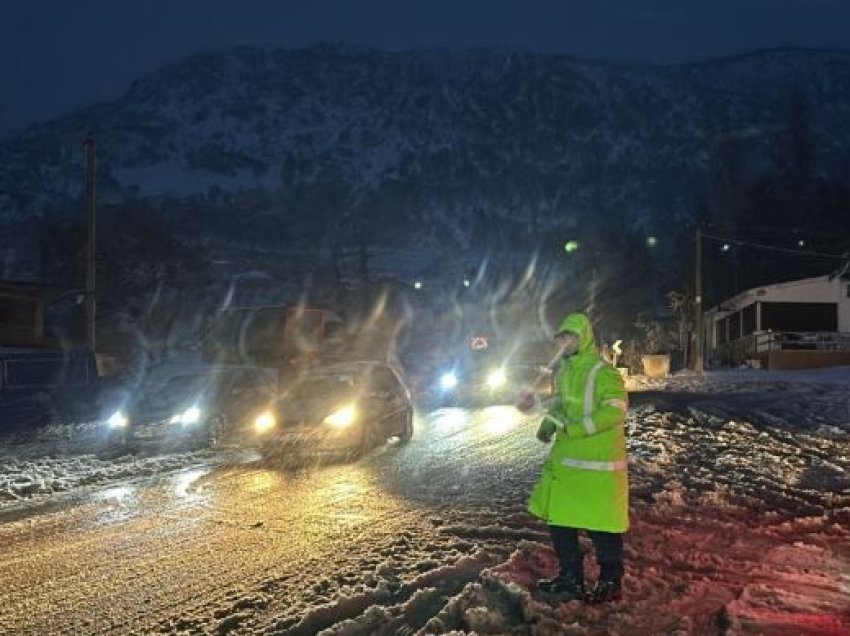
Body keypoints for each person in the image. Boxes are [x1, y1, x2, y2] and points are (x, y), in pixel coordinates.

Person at [527, 312, 630, 604]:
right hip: (568, 464)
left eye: (571, 337)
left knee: (602, 527)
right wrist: (549, 424)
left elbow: (616, 409)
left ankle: (611, 581)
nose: (566, 343)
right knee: (560, 522)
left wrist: (577, 429)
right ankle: (570, 577)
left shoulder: (602, 371)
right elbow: (562, 405)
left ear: (583, 338)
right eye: (562, 338)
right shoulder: (563, 372)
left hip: (597, 465)